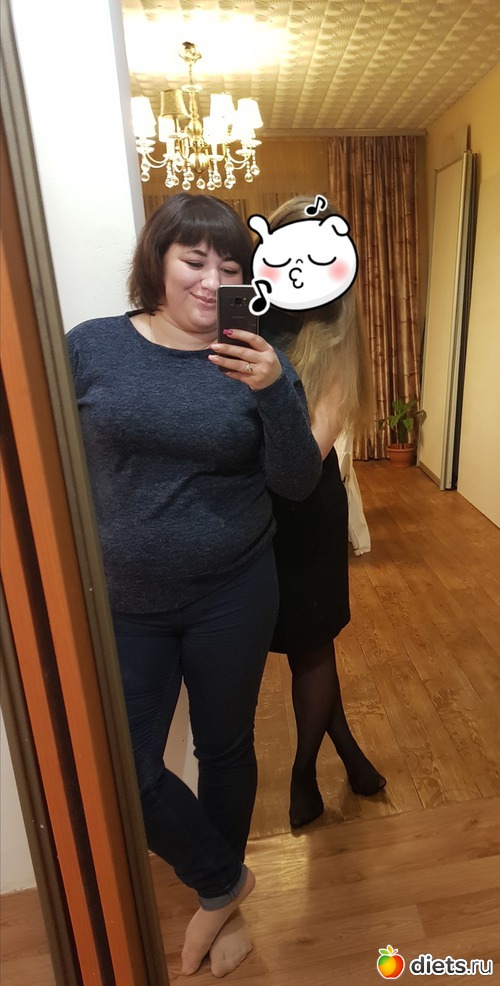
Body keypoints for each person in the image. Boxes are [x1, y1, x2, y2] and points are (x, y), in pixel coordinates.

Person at [66, 193, 322, 977]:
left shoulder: (259, 356)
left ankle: (221, 909)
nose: (212, 281)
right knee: (124, 765)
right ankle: (222, 883)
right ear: (158, 262)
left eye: (231, 267)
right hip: (123, 600)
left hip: (233, 592)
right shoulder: (91, 347)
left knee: (224, 747)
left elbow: (297, 482)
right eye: (194, 260)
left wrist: (274, 391)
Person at [260, 195, 386, 830]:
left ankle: (303, 772)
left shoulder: (335, 335)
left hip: (306, 509)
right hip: (249, 510)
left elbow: (308, 456)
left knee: (310, 647)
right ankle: (351, 756)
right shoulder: (252, 318)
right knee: (299, 646)